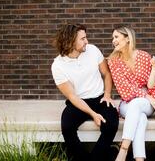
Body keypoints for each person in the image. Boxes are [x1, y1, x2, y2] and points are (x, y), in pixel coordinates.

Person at [51, 24, 119, 161]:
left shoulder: (93, 50)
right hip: (78, 102)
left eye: (85, 37)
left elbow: (106, 74)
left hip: (100, 98)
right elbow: (72, 96)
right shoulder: (58, 65)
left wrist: (107, 95)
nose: (86, 41)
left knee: (111, 125)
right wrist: (93, 114)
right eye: (82, 39)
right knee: (67, 127)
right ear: (70, 41)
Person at [107, 26, 155, 161]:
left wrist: (152, 98)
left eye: (116, 37)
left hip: (147, 103)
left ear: (128, 38)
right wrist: (146, 95)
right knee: (140, 118)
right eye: (113, 38)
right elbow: (123, 88)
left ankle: (123, 150)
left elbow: (151, 84)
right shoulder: (113, 61)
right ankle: (139, 159)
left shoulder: (144, 56)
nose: (113, 41)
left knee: (138, 106)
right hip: (127, 104)